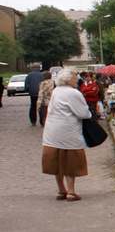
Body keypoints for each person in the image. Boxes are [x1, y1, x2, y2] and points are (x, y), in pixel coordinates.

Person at [41, 68, 92, 201]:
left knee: (57, 160)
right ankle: (71, 191)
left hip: (52, 130)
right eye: (75, 78)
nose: (76, 81)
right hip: (68, 131)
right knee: (70, 160)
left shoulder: (56, 91)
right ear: (68, 80)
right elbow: (83, 114)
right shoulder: (73, 93)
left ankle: (61, 190)